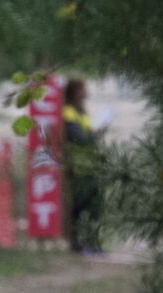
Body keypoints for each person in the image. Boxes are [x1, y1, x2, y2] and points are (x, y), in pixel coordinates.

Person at [63, 79, 103, 254]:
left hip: (90, 166)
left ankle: (93, 243)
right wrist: (95, 135)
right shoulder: (68, 112)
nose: (85, 92)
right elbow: (79, 138)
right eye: (82, 89)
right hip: (78, 167)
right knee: (79, 207)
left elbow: (88, 133)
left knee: (95, 207)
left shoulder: (82, 111)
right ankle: (76, 243)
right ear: (73, 91)